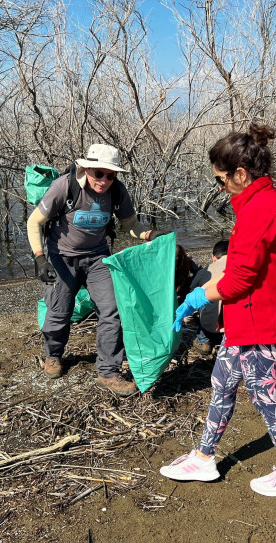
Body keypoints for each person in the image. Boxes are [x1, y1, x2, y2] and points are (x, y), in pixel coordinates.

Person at [161, 124, 276, 497]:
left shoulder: (261, 208)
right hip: (244, 321)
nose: (220, 187)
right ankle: (204, 458)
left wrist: (196, 298)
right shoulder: (254, 202)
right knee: (222, 382)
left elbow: (239, 280)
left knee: (266, 399)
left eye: (221, 180)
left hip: (263, 324)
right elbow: (242, 268)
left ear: (240, 174)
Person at [26, 143, 165, 396]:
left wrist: (148, 233)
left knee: (111, 310)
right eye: (98, 173)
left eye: (110, 175)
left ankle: (108, 371)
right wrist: (40, 259)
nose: (104, 180)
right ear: (85, 169)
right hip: (62, 257)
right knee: (60, 310)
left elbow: (129, 224)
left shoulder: (116, 191)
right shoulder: (64, 187)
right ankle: (53, 355)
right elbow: (34, 221)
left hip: (98, 257)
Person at [189, 240, 229, 356]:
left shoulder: (203, 272)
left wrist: (196, 322)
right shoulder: (243, 270)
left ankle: (203, 341)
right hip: (235, 328)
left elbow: (191, 306)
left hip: (209, 326)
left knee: (202, 301)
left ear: (213, 257)